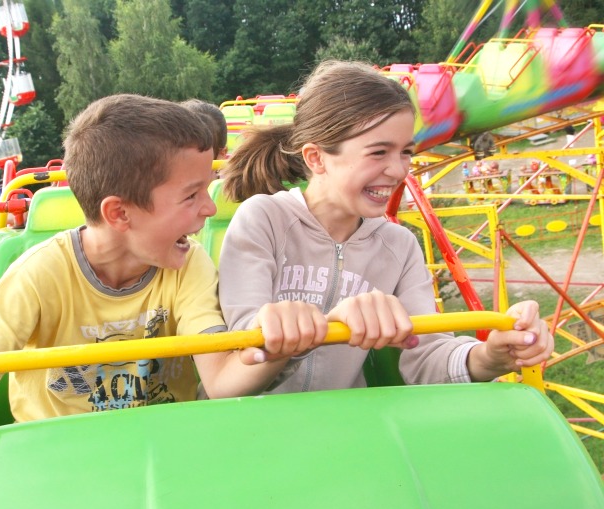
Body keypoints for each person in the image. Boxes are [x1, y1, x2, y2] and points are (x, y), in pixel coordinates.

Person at [0, 94, 259, 424]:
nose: (211, 208)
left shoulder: (188, 265)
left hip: (161, 445)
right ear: (119, 213)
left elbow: (220, 380)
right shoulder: (38, 275)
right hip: (58, 457)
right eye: (192, 195)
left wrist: (273, 342)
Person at [212, 60, 553, 397]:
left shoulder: (398, 245)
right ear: (316, 158)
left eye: (406, 152)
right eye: (378, 153)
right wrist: (334, 322)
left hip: (343, 423)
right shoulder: (264, 219)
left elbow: (426, 355)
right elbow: (245, 349)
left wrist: (489, 357)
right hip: (253, 424)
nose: (398, 170)